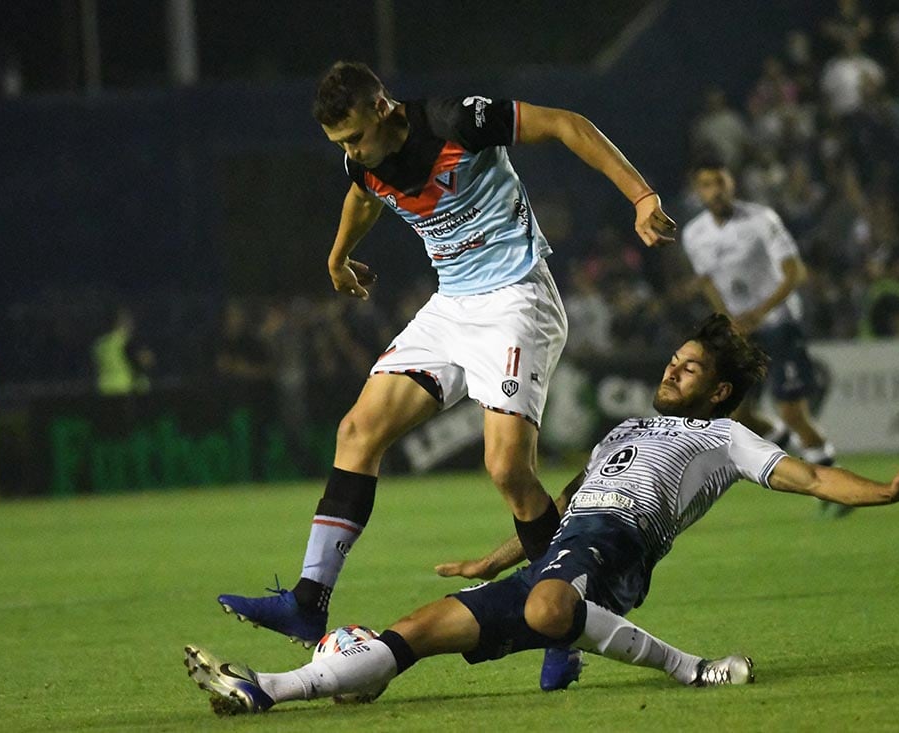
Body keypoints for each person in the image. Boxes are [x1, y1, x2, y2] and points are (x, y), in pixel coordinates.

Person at [184, 313, 899, 716]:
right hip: (561, 555)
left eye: (689, 367)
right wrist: (494, 557)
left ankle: (692, 669)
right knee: (410, 632)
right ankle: (266, 689)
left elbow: (810, 475)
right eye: (673, 358)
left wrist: (886, 491)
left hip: (617, 557)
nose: (670, 368)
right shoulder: (623, 431)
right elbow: (560, 508)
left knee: (554, 605)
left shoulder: (723, 437)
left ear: (717, 391)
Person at [216, 61, 677, 691]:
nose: (350, 154)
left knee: (507, 470)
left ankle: (564, 621)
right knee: (358, 430)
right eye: (340, 145)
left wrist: (641, 195)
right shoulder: (363, 161)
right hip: (452, 307)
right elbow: (363, 194)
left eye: (353, 138)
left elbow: (567, 125)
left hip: (518, 299)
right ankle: (307, 600)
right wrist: (338, 255)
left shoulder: (456, 120)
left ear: (383, 108)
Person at [680, 159, 844, 515]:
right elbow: (707, 280)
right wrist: (728, 319)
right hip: (741, 332)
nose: (716, 190)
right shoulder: (695, 234)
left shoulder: (761, 220)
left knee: (793, 411)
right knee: (737, 414)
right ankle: (784, 444)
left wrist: (760, 311)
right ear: (699, 191)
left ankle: (832, 487)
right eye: (708, 184)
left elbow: (794, 272)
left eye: (721, 182)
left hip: (780, 324)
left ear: (732, 185)